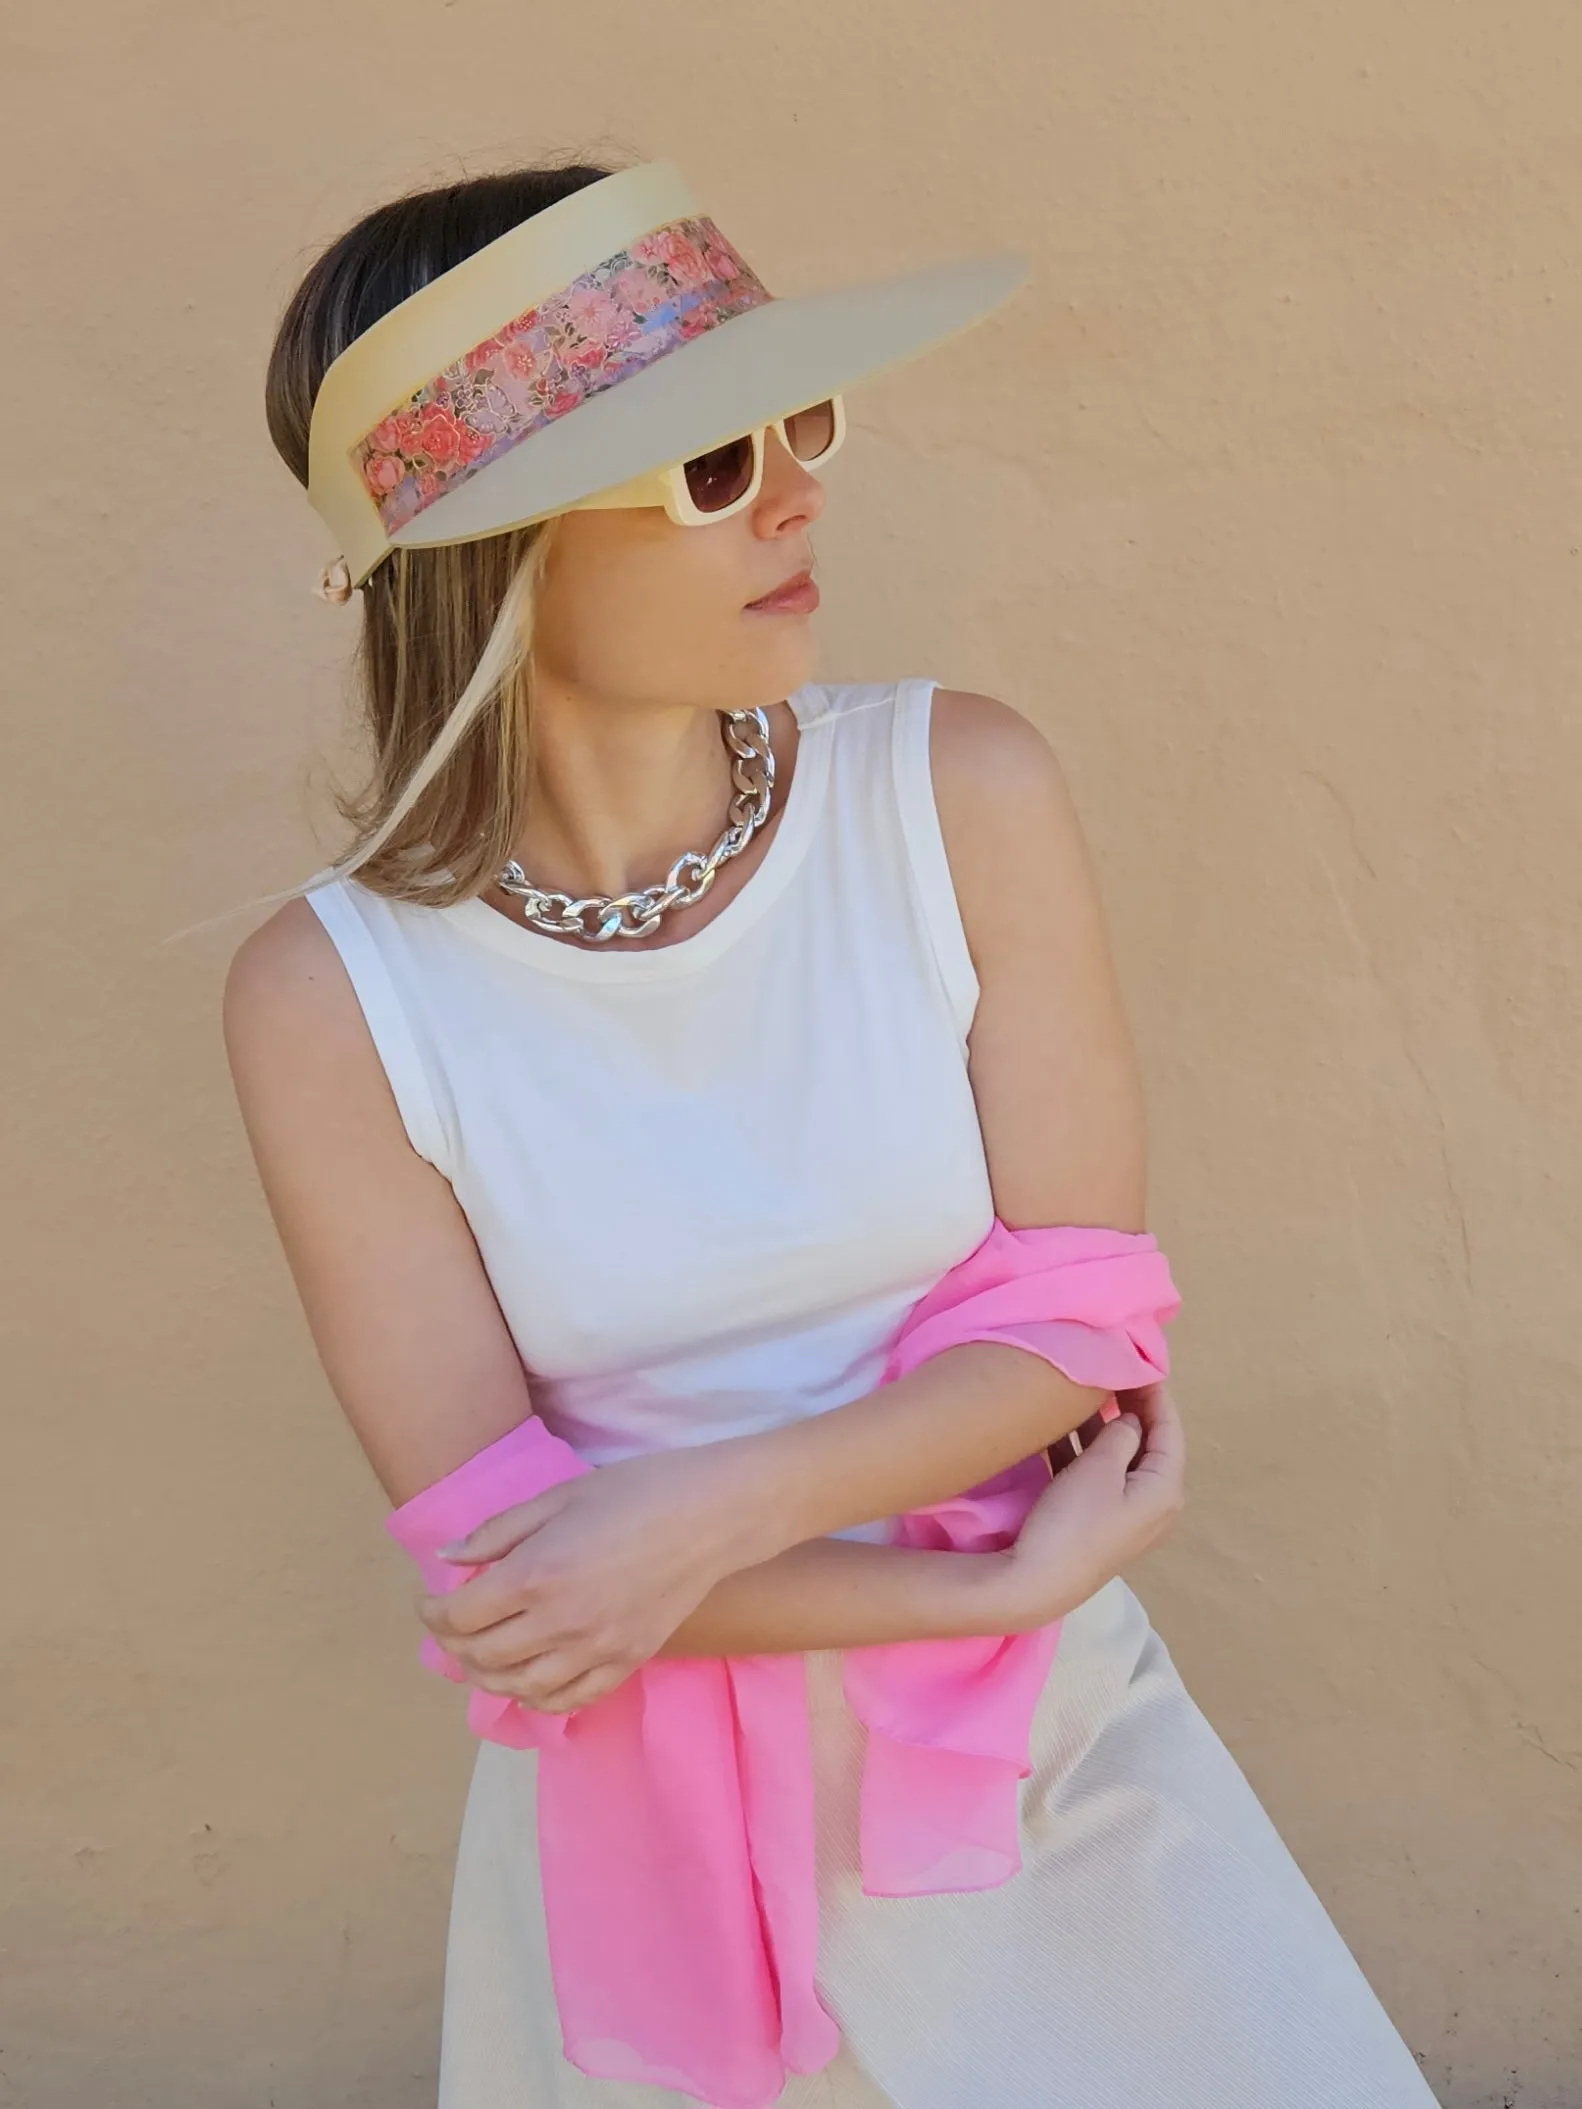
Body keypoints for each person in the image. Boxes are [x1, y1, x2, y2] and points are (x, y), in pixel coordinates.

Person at [224, 157, 1439, 2107]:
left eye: (801, 422)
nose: (796, 490)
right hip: (639, 1862)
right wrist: (973, 1572)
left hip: (1036, 1764)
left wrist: (704, 1506)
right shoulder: (330, 996)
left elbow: (1074, 1322)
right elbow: (513, 1574)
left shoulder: (953, 792)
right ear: (493, 540)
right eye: (709, 460)